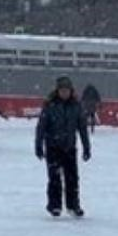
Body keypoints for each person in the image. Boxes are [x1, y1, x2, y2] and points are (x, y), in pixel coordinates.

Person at [35, 76, 91, 218]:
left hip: (69, 147)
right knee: (54, 178)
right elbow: (41, 127)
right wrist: (38, 145)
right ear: (58, 91)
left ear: (71, 91)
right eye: (62, 90)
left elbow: (82, 128)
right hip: (53, 146)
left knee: (72, 178)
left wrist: (86, 147)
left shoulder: (76, 106)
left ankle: (73, 205)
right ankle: (54, 205)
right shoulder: (50, 105)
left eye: (67, 90)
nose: (65, 93)